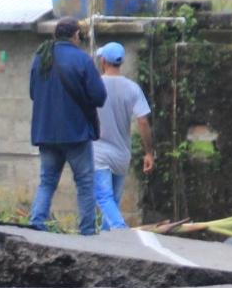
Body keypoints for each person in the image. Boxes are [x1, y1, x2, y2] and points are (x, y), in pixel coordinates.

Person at [28, 17, 107, 235]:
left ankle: (37, 223)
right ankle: (87, 230)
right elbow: (99, 96)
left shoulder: (40, 57)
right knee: (84, 182)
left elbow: (33, 93)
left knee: (47, 181)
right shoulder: (82, 59)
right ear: (75, 35)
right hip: (75, 133)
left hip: (45, 132)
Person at [91, 42, 154, 230]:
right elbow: (143, 122)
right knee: (113, 202)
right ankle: (108, 239)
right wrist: (148, 153)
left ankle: (121, 229)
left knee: (104, 198)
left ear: (103, 61)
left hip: (98, 152)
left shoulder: (94, 85)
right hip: (121, 154)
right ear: (121, 62)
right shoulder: (132, 88)